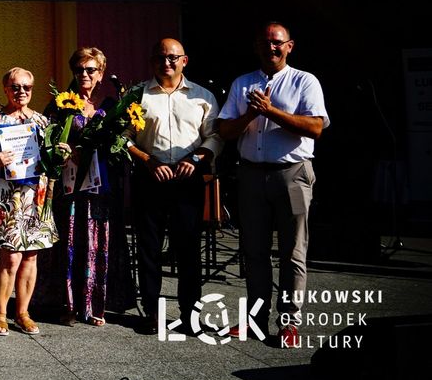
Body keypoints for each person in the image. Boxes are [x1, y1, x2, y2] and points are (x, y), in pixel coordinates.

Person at [219, 22, 328, 347]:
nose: (271, 48)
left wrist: (271, 111)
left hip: (292, 174)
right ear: (257, 47)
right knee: (253, 251)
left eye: (277, 43)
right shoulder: (243, 83)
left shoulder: (304, 81)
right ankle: (255, 319)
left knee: (293, 250)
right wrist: (251, 115)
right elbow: (224, 131)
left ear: (289, 46)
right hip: (251, 175)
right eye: (265, 43)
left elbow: (315, 127)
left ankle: (289, 322)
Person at [127, 38, 221, 335]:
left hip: (187, 179)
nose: (166, 62)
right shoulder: (137, 95)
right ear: (151, 61)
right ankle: (153, 313)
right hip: (149, 178)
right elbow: (124, 138)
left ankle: (190, 314)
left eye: (172, 57)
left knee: (188, 249)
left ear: (184, 60)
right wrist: (147, 160)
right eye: (160, 57)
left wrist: (196, 158)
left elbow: (215, 137)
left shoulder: (202, 96)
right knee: (148, 249)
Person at [47, 47, 133, 327]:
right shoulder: (62, 103)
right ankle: (69, 306)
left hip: (101, 188)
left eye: (90, 70)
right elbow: (46, 138)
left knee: (98, 243)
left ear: (101, 72)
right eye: (79, 70)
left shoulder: (111, 105)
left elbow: (125, 139)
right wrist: (63, 149)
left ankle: (96, 304)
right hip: (70, 187)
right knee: (70, 242)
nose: (84, 75)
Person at [0, 67, 61, 336]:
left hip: (36, 197)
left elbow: (49, 158)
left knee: (31, 257)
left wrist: (60, 154)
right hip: (7, 198)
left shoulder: (41, 121)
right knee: (10, 258)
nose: (21, 92)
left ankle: (23, 312)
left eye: (26, 87)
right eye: (15, 87)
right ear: (5, 88)